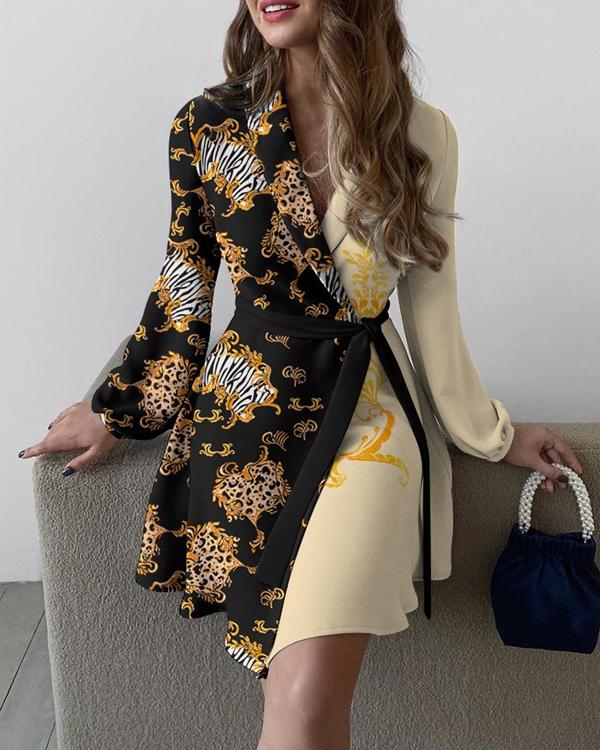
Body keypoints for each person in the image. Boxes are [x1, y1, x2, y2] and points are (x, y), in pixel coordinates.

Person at [19, 1, 583, 748]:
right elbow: (185, 279)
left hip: (369, 422)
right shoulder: (207, 125)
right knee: (288, 701)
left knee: (306, 703)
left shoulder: (420, 133)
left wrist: (492, 433)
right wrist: (117, 409)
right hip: (246, 427)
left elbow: (433, 307)